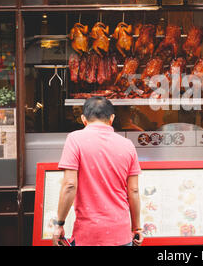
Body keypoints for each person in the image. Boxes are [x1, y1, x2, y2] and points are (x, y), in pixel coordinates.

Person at [52, 96, 144, 246]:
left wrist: (59, 224)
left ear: (83, 119)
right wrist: (137, 227)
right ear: (112, 118)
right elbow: (133, 190)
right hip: (120, 233)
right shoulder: (127, 145)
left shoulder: (75, 140)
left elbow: (69, 185)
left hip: (88, 234)